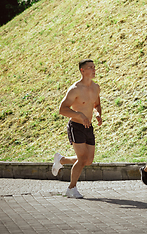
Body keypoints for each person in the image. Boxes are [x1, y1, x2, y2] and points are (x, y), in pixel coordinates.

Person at [52, 59, 102, 198]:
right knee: (81, 159)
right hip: (76, 126)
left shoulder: (95, 87)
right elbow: (62, 109)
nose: (93, 70)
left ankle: (61, 160)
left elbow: (97, 104)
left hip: (88, 127)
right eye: (90, 68)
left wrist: (98, 113)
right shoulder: (75, 89)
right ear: (82, 70)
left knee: (88, 160)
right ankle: (71, 189)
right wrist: (79, 114)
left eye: (94, 67)